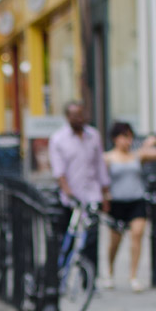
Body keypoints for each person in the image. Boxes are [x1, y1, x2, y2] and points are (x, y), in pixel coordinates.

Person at [102, 121, 156, 292]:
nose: (127, 141)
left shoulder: (138, 155)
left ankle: (133, 276)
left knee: (137, 235)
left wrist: (155, 142)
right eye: (124, 136)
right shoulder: (107, 158)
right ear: (115, 138)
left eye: (129, 137)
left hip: (136, 201)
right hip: (117, 203)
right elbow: (101, 180)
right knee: (115, 242)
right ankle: (109, 271)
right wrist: (104, 197)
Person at [48, 100, 110, 273]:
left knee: (91, 240)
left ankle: (89, 279)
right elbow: (59, 171)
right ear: (67, 117)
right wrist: (68, 192)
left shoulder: (94, 136)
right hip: (71, 199)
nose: (79, 119)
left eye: (81, 114)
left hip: (92, 195)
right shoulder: (58, 140)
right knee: (68, 238)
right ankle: (62, 274)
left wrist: (106, 194)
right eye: (74, 115)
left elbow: (100, 166)